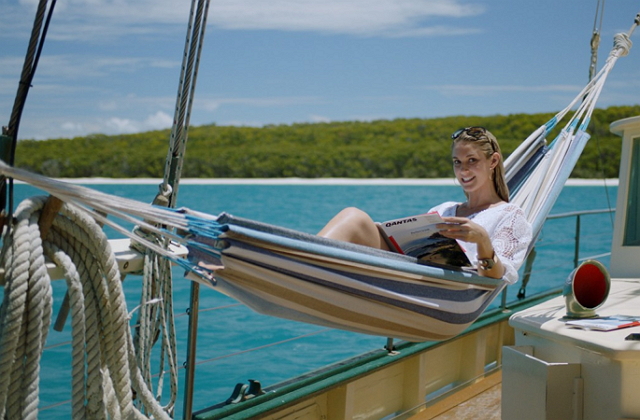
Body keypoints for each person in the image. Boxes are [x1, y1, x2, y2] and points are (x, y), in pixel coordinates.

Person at [318, 127, 532, 284]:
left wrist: (482, 240)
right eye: (457, 162)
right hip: (410, 276)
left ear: (493, 161)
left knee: (355, 218)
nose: (463, 170)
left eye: (472, 160)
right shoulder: (444, 210)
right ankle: (305, 264)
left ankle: (306, 264)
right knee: (354, 218)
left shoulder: (510, 215)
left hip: (451, 294)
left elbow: (499, 277)